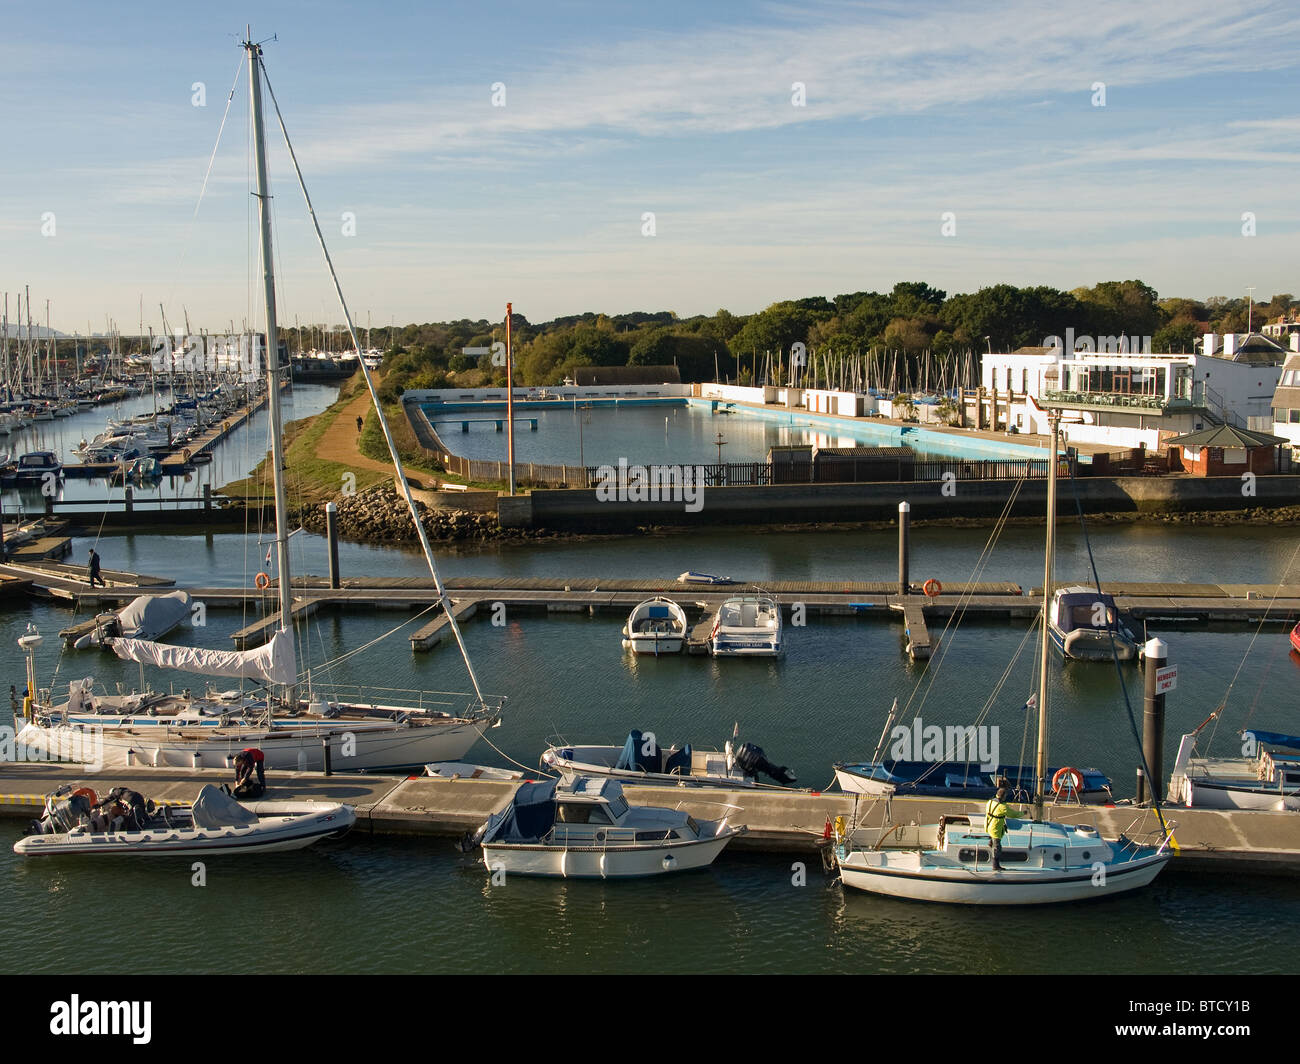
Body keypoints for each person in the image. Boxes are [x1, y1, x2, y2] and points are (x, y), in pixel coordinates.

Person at [985, 786, 1013, 871]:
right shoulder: (1002, 806)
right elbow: (1013, 814)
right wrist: (1022, 813)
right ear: (1004, 796)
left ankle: (990, 842)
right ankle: (995, 865)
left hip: (989, 824)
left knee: (994, 839)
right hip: (995, 827)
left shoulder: (990, 802)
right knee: (997, 847)